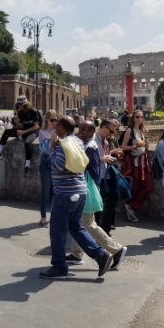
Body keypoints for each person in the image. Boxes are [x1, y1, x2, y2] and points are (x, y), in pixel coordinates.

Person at [39, 115, 113, 280]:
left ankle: (59, 268)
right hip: (80, 190)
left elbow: (58, 164)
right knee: (76, 227)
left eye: (57, 126)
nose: (54, 129)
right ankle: (101, 256)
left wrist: (52, 147)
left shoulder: (61, 144)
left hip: (64, 193)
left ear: (62, 129)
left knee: (57, 230)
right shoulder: (78, 142)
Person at [66, 120, 127, 269]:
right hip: (85, 188)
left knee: (88, 224)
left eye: (84, 129)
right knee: (78, 222)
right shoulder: (89, 144)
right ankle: (76, 253)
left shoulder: (90, 147)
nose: (80, 131)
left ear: (92, 132)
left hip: (86, 189)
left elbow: (94, 173)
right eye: (80, 128)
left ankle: (116, 249)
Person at [0, 95, 41, 176]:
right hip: (24, 129)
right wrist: (17, 124)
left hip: (33, 131)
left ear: (25, 104)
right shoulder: (20, 112)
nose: (19, 106)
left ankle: (27, 166)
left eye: (20, 104)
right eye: (18, 104)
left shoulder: (33, 111)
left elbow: (36, 126)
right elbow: (22, 125)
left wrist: (24, 132)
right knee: (7, 132)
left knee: (28, 142)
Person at [120, 110, 153, 222]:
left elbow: (147, 147)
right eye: (138, 117)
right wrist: (133, 146)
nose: (140, 119)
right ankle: (131, 208)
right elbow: (123, 147)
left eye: (142, 117)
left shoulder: (142, 130)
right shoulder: (130, 130)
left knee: (148, 186)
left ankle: (131, 206)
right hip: (134, 162)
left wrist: (147, 136)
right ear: (133, 118)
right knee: (135, 187)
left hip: (144, 161)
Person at [96, 119, 123, 235]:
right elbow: (87, 158)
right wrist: (102, 158)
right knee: (98, 203)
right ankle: (99, 229)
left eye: (114, 132)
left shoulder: (105, 141)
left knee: (112, 198)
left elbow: (104, 156)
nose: (112, 134)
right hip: (98, 176)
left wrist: (110, 155)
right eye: (111, 131)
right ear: (103, 127)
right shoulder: (93, 139)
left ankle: (104, 228)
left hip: (106, 174)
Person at [38, 110, 58, 227]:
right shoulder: (43, 132)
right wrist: (53, 138)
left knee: (54, 192)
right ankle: (43, 217)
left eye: (56, 120)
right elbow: (45, 149)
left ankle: (54, 215)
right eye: (52, 120)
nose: (54, 122)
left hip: (56, 164)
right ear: (47, 120)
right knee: (45, 191)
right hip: (46, 164)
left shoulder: (57, 131)